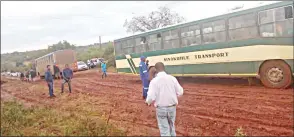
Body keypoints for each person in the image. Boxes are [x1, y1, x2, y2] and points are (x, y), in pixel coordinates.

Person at [145, 62, 184, 136]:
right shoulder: (172, 78)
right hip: (172, 108)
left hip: (161, 109)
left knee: (164, 130)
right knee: (172, 127)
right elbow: (180, 92)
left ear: (156, 70)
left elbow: (151, 96)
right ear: (164, 68)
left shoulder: (154, 81)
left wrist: (148, 102)